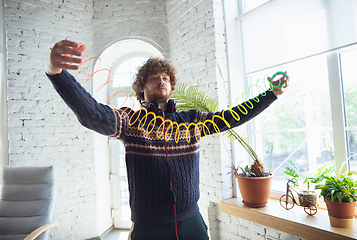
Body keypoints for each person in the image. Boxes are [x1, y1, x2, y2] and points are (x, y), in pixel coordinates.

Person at [45, 40, 289, 240]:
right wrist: (56, 73)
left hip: (192, 222)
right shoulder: (131, 122)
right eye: (153, 78)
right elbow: (94, 115)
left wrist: (271, 94)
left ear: (171, 86)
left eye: (165, 77)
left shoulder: (192, 120)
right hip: (149, 227)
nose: (160, 80)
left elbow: (232, 117)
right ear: (141, 89)